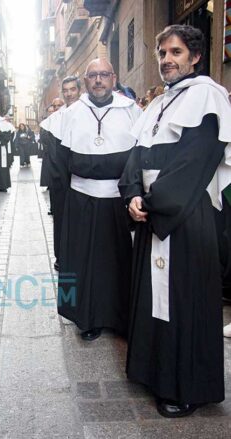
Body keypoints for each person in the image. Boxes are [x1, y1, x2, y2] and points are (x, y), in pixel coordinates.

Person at [118, 24, 231, 417]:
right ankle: (154, 372)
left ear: (195, 57)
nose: (167, 60)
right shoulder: (159, 103)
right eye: (162, 53)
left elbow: (195, 162)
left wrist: (152, 203)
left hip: (185, 215)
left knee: (183, 301)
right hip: (153, 210)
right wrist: (132, 193)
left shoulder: (207, 97)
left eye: (176, 52)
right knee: (154, 300)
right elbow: (136, 155)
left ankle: (186, 387)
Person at [57, 61, 141, 341]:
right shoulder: (71, 113)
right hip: (81, 198)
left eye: (104, 75)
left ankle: (121, 319)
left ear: (113, 78)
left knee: (118, 261)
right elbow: (60, 161)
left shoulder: (131, 110)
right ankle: (87, 318)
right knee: (83, 262)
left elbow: (140, 157)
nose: (98, 80)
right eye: (92, 75)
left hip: (119, 198)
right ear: (85, 80)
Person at [41, 77, 81, 271]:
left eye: (72, 89)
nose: (69, 93)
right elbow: (53, 152)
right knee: (61, 220)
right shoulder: (55, 119)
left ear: (79, 90)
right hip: (61, 181)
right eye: (65, 90)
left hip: (83, 179)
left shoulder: (88, 112)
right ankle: (61, 257)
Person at [40, 99, 64, 189]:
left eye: (59, 105)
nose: (57, 108)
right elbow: (44, 138)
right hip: (51, 153)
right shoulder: (47, 122)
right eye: (54, 106)